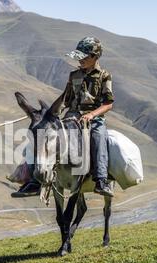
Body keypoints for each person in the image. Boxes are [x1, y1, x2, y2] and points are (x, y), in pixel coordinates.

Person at [12, 37, 114, 198]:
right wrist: (47, 115)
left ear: (95, 57)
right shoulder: (74, 75)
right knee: (43, 137)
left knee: (98, 138)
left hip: (94, 119)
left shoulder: (104, 76)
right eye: (78, 57)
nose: (79, 60)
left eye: (83, 57)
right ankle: (34, 181)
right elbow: (66, 99)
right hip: (71, 117)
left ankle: (101, 180)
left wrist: (92, 114)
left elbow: (108, 104)